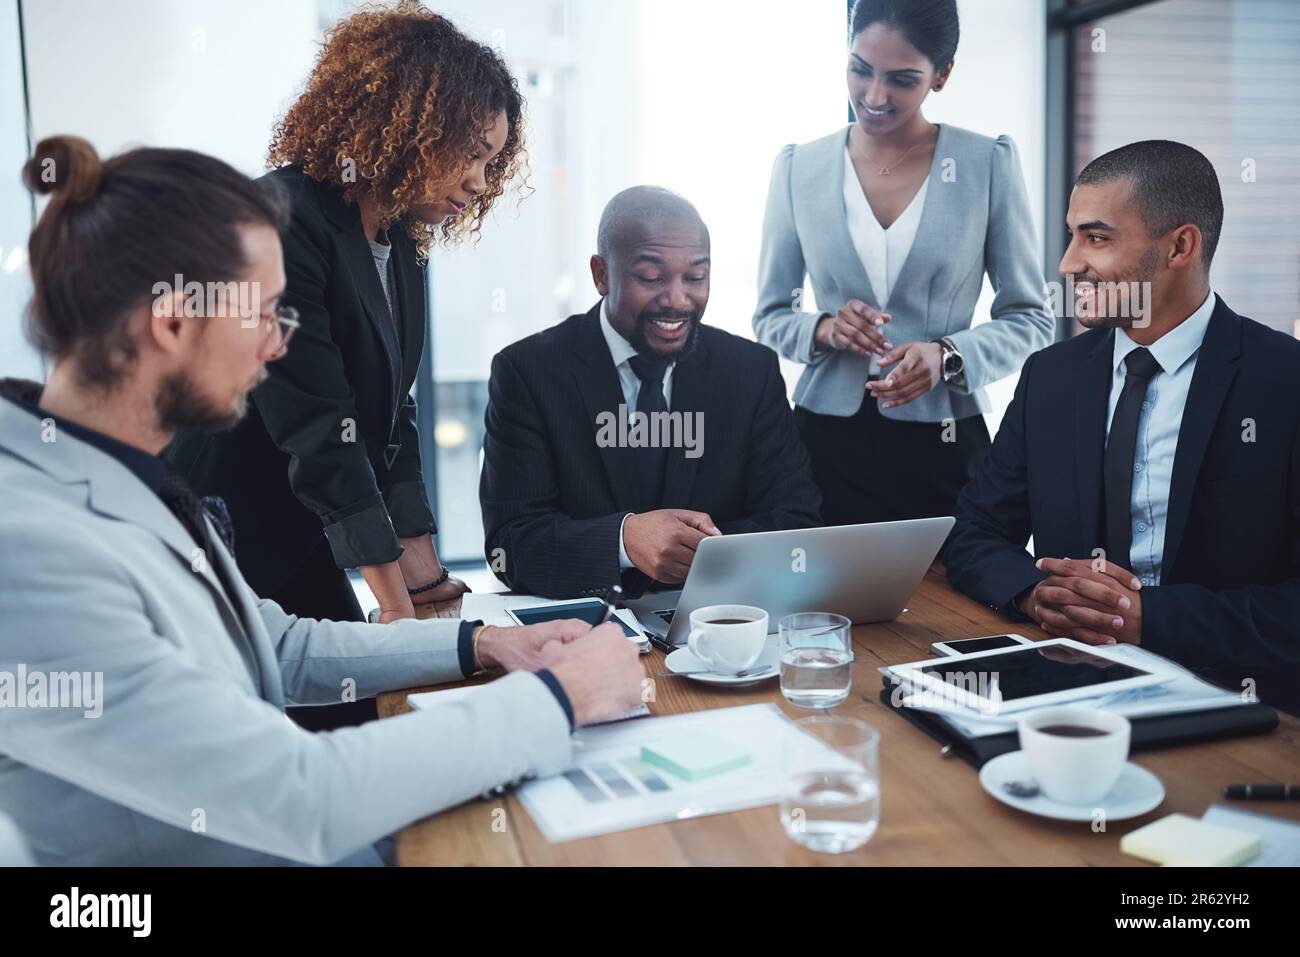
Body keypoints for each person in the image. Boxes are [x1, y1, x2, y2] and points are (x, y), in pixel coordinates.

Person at [0, 136, 643, 866]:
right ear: (174, 323)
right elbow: (295, 791)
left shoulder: (119, 472)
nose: (278, 346)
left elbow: (274, 643)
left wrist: (482, 643)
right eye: (267, 314)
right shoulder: (26, 548)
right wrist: (559, 699)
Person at [171, 4, 524, 636]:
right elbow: (319, 425)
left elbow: (392, 411)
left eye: (491, 162)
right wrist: (394, 604)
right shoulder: (282, 218)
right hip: (222, 533)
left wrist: (420, 568)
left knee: (362, 703)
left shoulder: (401, 235)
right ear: (409, 121)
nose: (478, 180)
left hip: (306, 527)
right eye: (471, 152)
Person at [945, 140, 1300, 711]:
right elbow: (974, 533)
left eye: (1097, 237)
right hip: (1067, 690)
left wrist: (1146, 618)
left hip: (1237, 701)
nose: (1067, 264)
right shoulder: (1050, 376)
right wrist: (1037, 594)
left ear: (1180, 246)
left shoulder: (1284, 381)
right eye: (1072, 235)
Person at [753, 0, 1053, 527]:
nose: (873, 97)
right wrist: (824, 328)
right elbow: (771, 315)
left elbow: (1031, 318)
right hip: (824, 439)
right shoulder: (800, 168)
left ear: (942, 75)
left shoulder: (987, 165)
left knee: (955, 599)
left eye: (902, 79)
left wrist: (947, 356)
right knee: (824, 599)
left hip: (944, 439)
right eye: (860, 70)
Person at [481, 186, 822, 598]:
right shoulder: (528, 372)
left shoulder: (750, 370)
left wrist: (699, 551)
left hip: (721, 621)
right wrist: (623, 542)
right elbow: (510, 544)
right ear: (601, 275)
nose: (677, 300)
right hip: (586, 631)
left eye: (695, 277)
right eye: (650, 277)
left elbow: (797, 522)